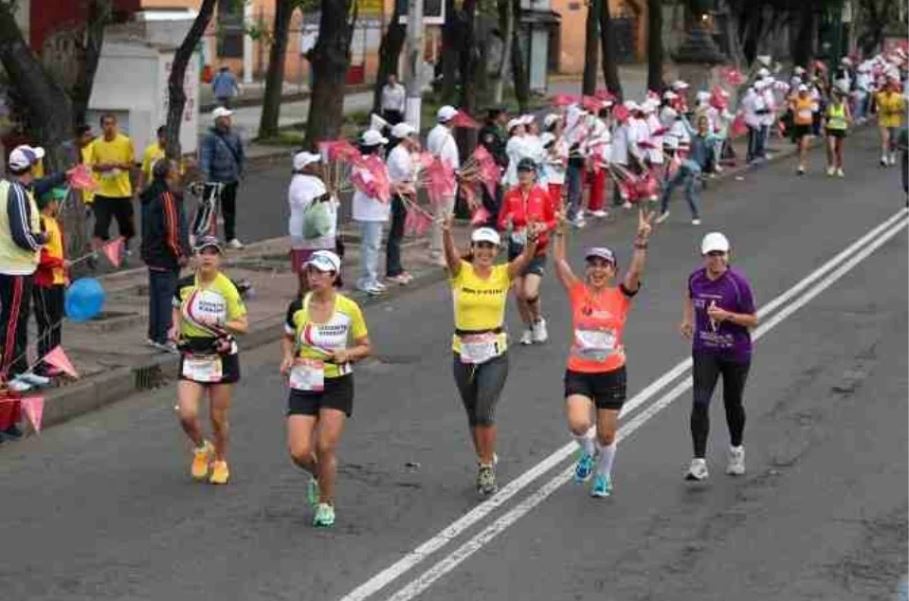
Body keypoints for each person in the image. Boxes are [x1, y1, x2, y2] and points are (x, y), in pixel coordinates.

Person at [553, 208, 653, 497]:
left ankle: (604, 476)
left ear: (612, 271)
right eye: (593, 264)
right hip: (580, 371)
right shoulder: (577, 291)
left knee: (607, 434)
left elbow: (636, 272)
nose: (597, 269)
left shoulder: (620, 296)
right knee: (579, 423)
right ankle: (587, 452)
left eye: (604, 265)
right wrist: (560, 230)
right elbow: (559, 261)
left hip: (611, 373)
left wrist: (641, 242)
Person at [442, 217, 538, 496]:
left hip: (494, 353)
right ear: (472, 249)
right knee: (472, 413)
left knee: (485, 410)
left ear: (496, 251)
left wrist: (531, 241)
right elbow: (450, 256)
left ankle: (486, 467)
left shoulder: (503, 273)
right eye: (480, 246)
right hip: (463, 352)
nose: (485, 252)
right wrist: (446, 233)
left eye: (490, 247)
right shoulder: (461, 272)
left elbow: (527, 258)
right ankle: (484, 456)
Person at [281, 250, 372, 527]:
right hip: (305, 380)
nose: (315, 277)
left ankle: (325, 503)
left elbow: (366, 346)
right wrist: (287, 356)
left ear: (334, 276)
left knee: (324, 446)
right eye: (311, 272)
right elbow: (287, 337)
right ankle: (318, 474)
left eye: (321, 272)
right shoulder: (298, 306)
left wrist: (349, 353)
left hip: (336, 382)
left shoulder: (348, 308)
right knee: (298, 451)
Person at [680, 232, 758, 481]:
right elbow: (690, 297)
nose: (716, 259)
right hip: (705, 350)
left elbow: (753, 320)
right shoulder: (695, 279)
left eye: (720, 254)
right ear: (704, 256)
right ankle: (698, 462)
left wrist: (727, 316)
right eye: (711, 254)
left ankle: (736, 449)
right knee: (700, 402)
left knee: (732, 404)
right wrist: (687, 319)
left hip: (736, 353)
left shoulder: (738, 284)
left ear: (728, 255)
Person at [171, 236, 248, 485]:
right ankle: (202, 448)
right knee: (186, 414)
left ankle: (221, 460)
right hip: (192, 354)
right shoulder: (183, 285)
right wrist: (175, 328)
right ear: (195, 257)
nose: (207, 257)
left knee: (217, 417)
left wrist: (221, 323)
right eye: (203, 252)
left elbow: (243, 326)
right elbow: (175, 306)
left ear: (219, 259)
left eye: (213, 253)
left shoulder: (226, 288)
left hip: (220, 355)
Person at [0, 146, 50, 399]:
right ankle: (6, 373)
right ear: (29, 168)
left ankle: (19, 368)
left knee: (18, 319)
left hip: (13, 266)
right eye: (37, 163)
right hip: (16, 267)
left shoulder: (7, 188)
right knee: (11, 320)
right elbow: (22, 236)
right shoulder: (17, 193)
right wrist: (42, 239)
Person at [497, 157, 557, 346]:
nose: (523, 174)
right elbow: (501, 220)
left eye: (527, 171)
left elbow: (553, 221)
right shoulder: (510, 195)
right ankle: (527, 328)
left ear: (534, 174)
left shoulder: (542, 195)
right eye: (520, 171)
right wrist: (505, 223)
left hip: (537, 249)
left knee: (530, 292)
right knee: (519, 294)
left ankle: (538, 321)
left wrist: (542, 226)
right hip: (517, 250)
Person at [141, 159, 189, 352]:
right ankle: (166, 337)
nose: (179, 172)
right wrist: (180, 252)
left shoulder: (151, 194)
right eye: (176, 169)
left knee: (156, 296)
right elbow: (171, 228)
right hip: (165, 254)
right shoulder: (167, 197)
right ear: (169, 174)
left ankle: (154, 335)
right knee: (167, 297)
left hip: (152, 253)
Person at [288, 151, 338, 296]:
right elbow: (306, 204)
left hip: (320, 232)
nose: (318, 165)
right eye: (314, 163)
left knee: (319, 265)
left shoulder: (313, 180)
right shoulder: (300, 183)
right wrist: (325, 197)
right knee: (307, 267)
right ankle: (305, 297)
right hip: (308, 232)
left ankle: (315, 294)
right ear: (306, 167)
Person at [32, 187, 69, 377]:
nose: (58, 204)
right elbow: (39, 255)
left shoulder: (55, 222)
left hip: (58, 280)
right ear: (48, 203)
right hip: (44, 281)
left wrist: (66, 273)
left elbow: (60, 249)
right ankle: (42, 362)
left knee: (56, 322)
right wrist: (59, 263)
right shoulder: (38, 223)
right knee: (46, 323)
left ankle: (55, 359)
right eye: (55, 200)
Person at [89, 113, 136, 256]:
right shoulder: (96, 144)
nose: (109, 127)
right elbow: (93, 166)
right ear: (101, 126)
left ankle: (126, 247)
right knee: (100, 223)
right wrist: (103, 167)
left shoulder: (125, 142)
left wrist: (119, 165)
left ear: (116, 125)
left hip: (122, 191)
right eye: (106, 124)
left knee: (126, 224)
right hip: (102, 191)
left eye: (112, 124)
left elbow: (132, 165)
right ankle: (94, 253)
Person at [199, 107, 246, 249]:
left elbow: (240, 154)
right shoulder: (209, 137)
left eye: (229, 117)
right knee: (211, 210)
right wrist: (205, 177)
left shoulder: (234, 135)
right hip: (214, 179)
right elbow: (205, 158)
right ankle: (210, 238)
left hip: (231, 179)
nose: (229, 120)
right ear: (218, 120)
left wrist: (241, 171)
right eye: (226, 117)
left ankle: (230, 237)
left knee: (229, 210)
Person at [352, 129, 390, 295]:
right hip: (368, 211)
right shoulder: (361, 164)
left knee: (374, 245)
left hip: (378, 210)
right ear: (375, 147)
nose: (382, 148)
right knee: (370, 245)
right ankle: (366, 280)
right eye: (380, 145)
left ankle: (372, 278)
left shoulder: (377, 162)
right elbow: (369, 186)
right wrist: (378, 187)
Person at [426, 105, 461, 266]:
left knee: (441, 216)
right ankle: (437, 252)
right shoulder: (442, 136)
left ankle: (441, 249)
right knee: (442, 217)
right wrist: (455, 173)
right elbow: (445, 161)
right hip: (444, 182)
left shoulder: (437, 133)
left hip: (441, 180)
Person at [386, 122, 419, 285]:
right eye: (411, 135)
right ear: (404, 137)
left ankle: (397, 267)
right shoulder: (398, 153)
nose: (414, 139)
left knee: (399, 232)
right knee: (396, 233)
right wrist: (416, 161)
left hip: (404, 192)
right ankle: (392, 269)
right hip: (399, 193)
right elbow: (406, 173)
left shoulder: (403, 152)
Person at [478, 107, 508, 227]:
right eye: (503, 114)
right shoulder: (488, 131)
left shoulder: (498, 129)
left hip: (497, 167)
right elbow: (490, 150)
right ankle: (491, 220)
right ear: (497, 116)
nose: (505, 117)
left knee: (497, 194)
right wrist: (500, 162)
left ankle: (496, 219)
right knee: (490, 194)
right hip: (489, 167)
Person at [875, 78, 906, 167]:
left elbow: (903, 110)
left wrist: (894, 112)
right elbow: (878, 104)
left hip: (894, 120)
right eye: (887, 88)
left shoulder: (898, 97)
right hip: (883, 120)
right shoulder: (880, 96)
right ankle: (884, 157)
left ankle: (892, 155)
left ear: (893, 88)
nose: (889, 90)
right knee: (885, 139)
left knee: (892, 140)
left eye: (891, 88)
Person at [824, 90, 851, 178]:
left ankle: (839, 167)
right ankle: (831, 166)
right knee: (831, 148)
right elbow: (825, 116)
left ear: (838, 98)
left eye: (834, 97)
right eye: (832, 97)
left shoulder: (844, 106)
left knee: (838, 150)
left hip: (840, 128)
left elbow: (849, 119)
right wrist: (826, 120)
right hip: (831, 128)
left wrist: (844, 118)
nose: (833, 99)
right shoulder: (830, 106)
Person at [790, 84, 815, 175]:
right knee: (799, 147)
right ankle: (800, 160)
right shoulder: (796, 99)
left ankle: (801, 166)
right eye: (802, 92)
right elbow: (788, 98)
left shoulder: (810, 98)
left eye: (805, 91)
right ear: (799, 92)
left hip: (807, 126)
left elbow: (818, 99)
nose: (803, 93)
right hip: (798, 125)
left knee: (804, 146)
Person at [139, 125, 167, 192]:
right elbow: (144, 171)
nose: (163, 139)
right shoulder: (150, 150)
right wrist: (139, 187)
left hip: (167, 188)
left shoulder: (172, 151)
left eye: (165, 136)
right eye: (161, 136)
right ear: (158, 136)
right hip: (152, 187)